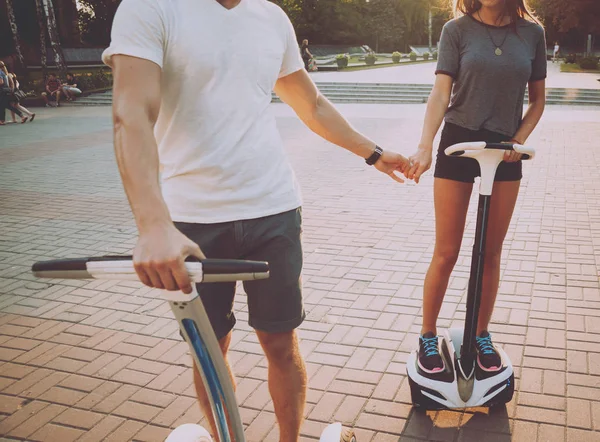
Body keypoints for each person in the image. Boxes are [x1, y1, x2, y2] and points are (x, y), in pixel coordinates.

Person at [102, 0, 410, 440]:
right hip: (193, 222)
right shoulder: (150, 8)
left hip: (275, 209)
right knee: (210, 350)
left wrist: (374, 153)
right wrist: (153, 226)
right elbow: (131, 113)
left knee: (281, 344)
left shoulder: (270, 16)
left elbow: (313, 104)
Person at [404, 0, 546, 374]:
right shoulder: (457, 31)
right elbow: (440, 94)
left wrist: (518, 140)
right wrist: (424, 145)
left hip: (505, 150)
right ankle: (427, 335)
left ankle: (481, 333)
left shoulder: (533, 33)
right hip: (458, 142)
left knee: (490, 252)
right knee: (447, 251)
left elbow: (538, 101)